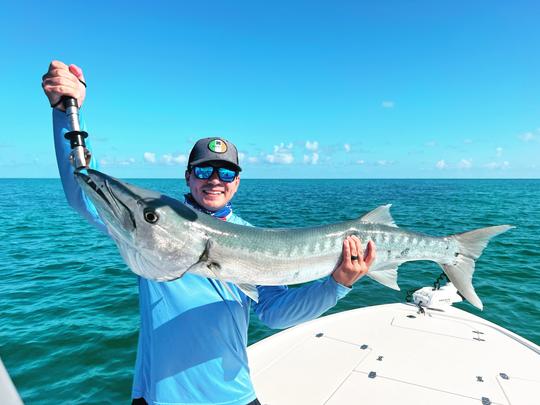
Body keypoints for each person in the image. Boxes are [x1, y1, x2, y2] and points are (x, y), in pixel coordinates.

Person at [42, 60, 377, 405]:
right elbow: (86, 190)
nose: (214, 179)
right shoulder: (152, 225)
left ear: (237, 183)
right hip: (158, 398)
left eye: (226, 173)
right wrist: (64, 112)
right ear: (188, 177)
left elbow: (275, 313)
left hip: (235, 397)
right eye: (203, 170)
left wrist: (338, 284)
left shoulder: (254, 239)